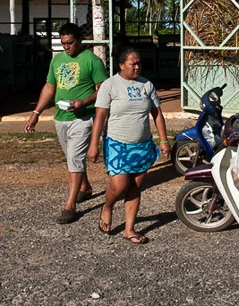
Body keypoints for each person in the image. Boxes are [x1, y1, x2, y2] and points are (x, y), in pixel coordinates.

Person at [25, 23, 108, 224]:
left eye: (70, 43)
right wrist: (36, 112)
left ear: (79, 40)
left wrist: (84, 102)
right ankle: (85, 187)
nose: (66, 47)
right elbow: (49, 87)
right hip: (61, 118)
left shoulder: (92, 61)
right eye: (63, 43)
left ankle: (70, 205)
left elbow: (104, 90)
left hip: (83, 118)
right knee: (72, 158)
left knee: (74, 157)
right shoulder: (57, 60)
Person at [87, 46, 170, 244]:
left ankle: (129, 229)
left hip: (142, 145)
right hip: (117, 144)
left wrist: (164, 140)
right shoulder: (109, 85)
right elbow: (100, 117)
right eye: (133, 64)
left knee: (135, 187)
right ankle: (107, 206)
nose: (137, 67)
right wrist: (93, 144)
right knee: (120, 185)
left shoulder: (146, 85)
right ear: (121, 65)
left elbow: (157, 114)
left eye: (139, 63)